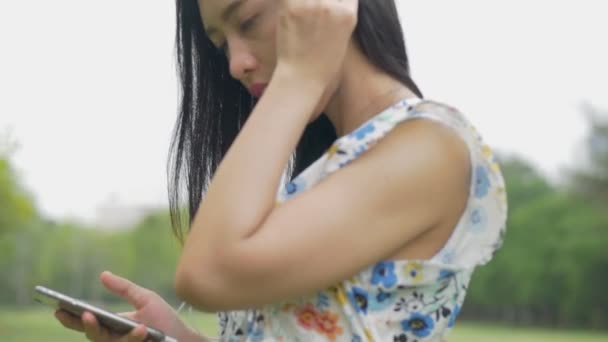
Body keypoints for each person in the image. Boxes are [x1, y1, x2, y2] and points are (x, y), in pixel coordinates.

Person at [56, 0, 508, 341]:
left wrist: (299, 75)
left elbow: (206, 275)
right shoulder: (333, 166)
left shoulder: (429, 147)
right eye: (221, 45)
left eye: (248, 22)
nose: (235, 64)